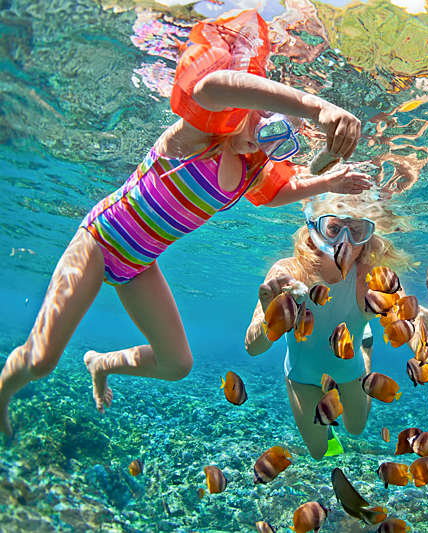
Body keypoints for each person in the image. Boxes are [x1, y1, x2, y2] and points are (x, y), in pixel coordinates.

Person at [0, 10, 372, 438]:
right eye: (261, 117)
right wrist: (315, 107)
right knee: (42, 358)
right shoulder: (195, 137)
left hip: (139, 263)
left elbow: (280, 194)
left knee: (177, 365)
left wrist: (329, 181)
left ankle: (100, 363)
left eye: (279, 135)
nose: (264, 133)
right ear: (249, 104)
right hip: (100, 241)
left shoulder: (251, 170)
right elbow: (210, 87)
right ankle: (2, 392)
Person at [244, 193, 408, 459]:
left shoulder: (371, 276)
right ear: (314, 229)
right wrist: (269, 320)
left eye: (356, 231)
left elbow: (405, 317)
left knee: (356, 428)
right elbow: (252, 348)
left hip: (349, 367)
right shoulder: (288, 272)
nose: (344, 241)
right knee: (320, 452)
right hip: (302, 376)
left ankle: (365, 351)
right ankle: (360, 345)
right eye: (333, 229)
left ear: (368, 238)